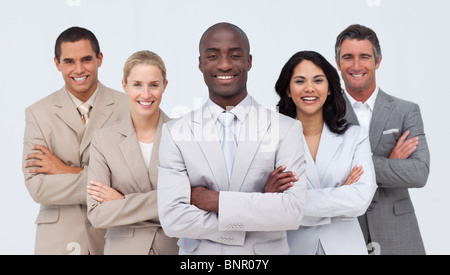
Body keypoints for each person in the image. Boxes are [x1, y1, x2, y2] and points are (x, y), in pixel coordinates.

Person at [157, 22, 307, 255]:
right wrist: (260, 204)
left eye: (235, 55)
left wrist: (213, 200)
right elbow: (173, 219)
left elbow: (292, 211)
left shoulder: (286, 129)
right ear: (201, 63)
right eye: (213, 56)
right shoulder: (175, 132)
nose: (224, 64)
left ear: (248, 61)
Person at [22, 26, 129, 254]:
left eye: (86, 59)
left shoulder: (128, 107)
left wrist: (63, 170)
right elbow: (37, 187)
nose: (79, 69)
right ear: (57, 63)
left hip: (114, 238)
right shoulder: (38, 113)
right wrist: (106, 182)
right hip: (58, 241)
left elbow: (136, 180)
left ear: (99, 59)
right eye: (69, 61)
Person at [335, 24, 430, 255]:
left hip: (398, 233)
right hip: (343, 232)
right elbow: (323, 172)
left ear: (377, 62)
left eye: (364, 57)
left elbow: (419, 172)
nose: (356, 66)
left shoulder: (406, 111)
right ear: (338, 63)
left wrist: (354, 165)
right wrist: (392, 161)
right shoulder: (326, 113)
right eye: (348, 57)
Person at [275, 51, 377, 255]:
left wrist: (293, 203)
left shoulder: (355, 136)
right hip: (292, 248)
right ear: (288, 89)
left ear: (330, 88)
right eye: (300, 81)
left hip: (345, 248)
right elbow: (268, 205)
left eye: (318, 80)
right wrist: (341, 193)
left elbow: (361, 200)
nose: (309, 88)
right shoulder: (271, 139)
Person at [86, 50, 178, 255]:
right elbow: (97, 214)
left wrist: (121, 203)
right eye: (137, 84)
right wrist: (166, 203)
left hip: (173, 249)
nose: (146, 94)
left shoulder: (184, 135)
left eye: (154, 85)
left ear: (165, 85)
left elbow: (192, 203)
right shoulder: (104, 140)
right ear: (124, 85)